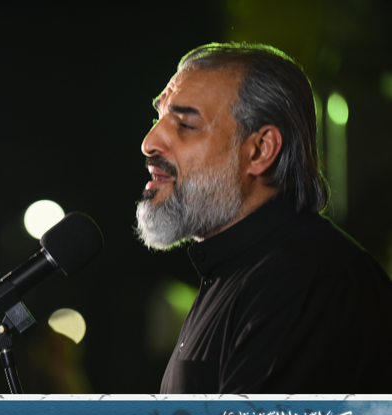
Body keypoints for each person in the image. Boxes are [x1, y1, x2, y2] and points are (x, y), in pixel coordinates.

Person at [135, 42, 392, 394]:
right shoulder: (241, 274)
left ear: (260, 150)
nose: (149, 142)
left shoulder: (306, 280)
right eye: (159, 118)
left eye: (185, 124)